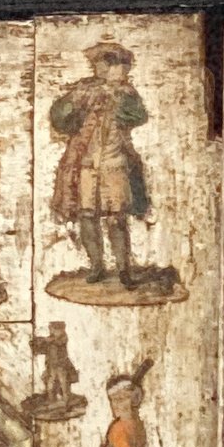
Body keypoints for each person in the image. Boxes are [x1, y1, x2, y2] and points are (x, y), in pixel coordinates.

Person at [48, 43, 156, 285]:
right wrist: (74, 102)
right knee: (87, 215)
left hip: (114, 161)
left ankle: (123, 268)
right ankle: (96, 266)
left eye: (108, 65)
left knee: (117, 217)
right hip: (85, 162)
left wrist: (117, 97)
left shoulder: (127, 93)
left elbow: (138, 117)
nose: (102, 69)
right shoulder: (83, 89)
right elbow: (59, 119)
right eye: (99, 64)